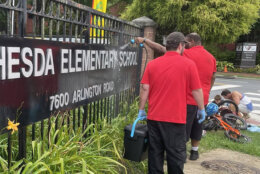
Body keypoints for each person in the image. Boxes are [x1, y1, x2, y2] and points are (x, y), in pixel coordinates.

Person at [136, 33, 216, 161]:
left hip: (185, 101)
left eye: (187, 43)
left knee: (182, 133)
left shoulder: (187, 55)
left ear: (191, 42)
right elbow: (212, 77)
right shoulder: (211, 58)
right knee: (197, 126)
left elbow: (164, 50)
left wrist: (145, 40)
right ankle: (194, 151)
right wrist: (204, 102)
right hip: (202, 98)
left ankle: (180, 153)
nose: (186, 46)